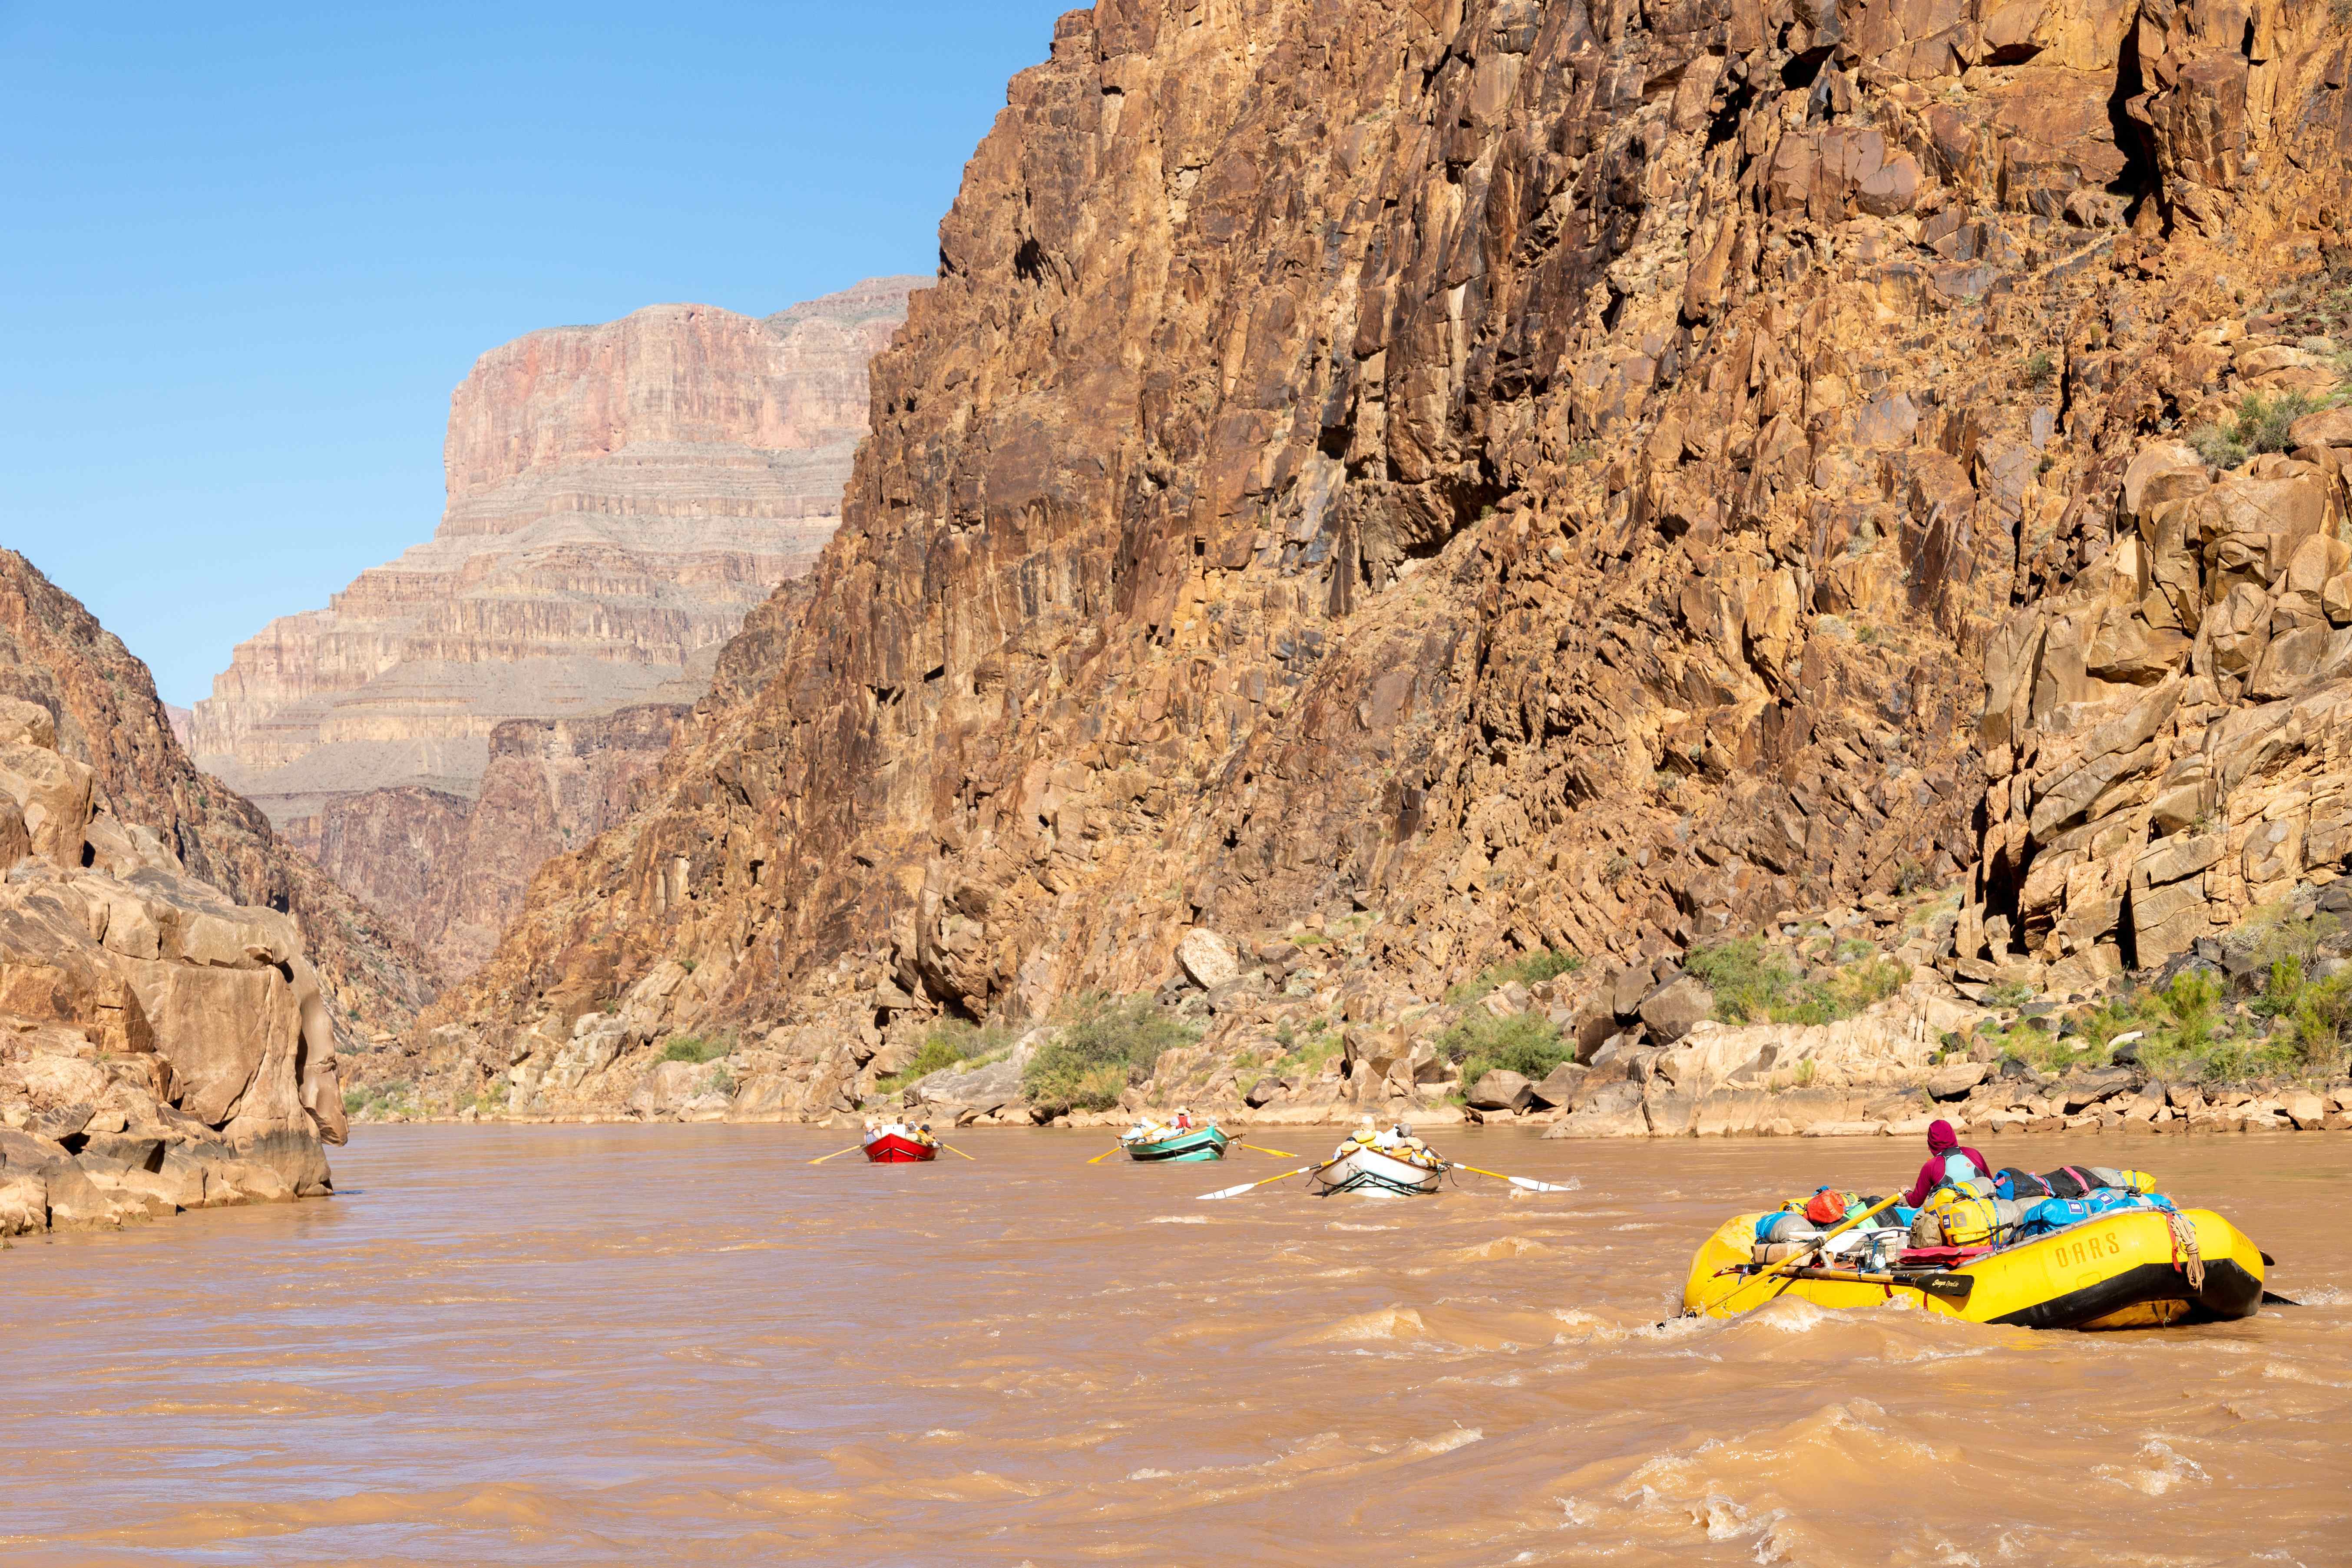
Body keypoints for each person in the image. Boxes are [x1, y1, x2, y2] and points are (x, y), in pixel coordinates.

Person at [1902, 1118, 1991, 1208]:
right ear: (1953, 1136)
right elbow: (1990, 1182)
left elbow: (1915, 1203)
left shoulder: (1931, 1166)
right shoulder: (1973, 1153)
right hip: (1984, 1210)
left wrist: (1907, 1192)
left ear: (1931, 1143)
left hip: (1956, 1215)